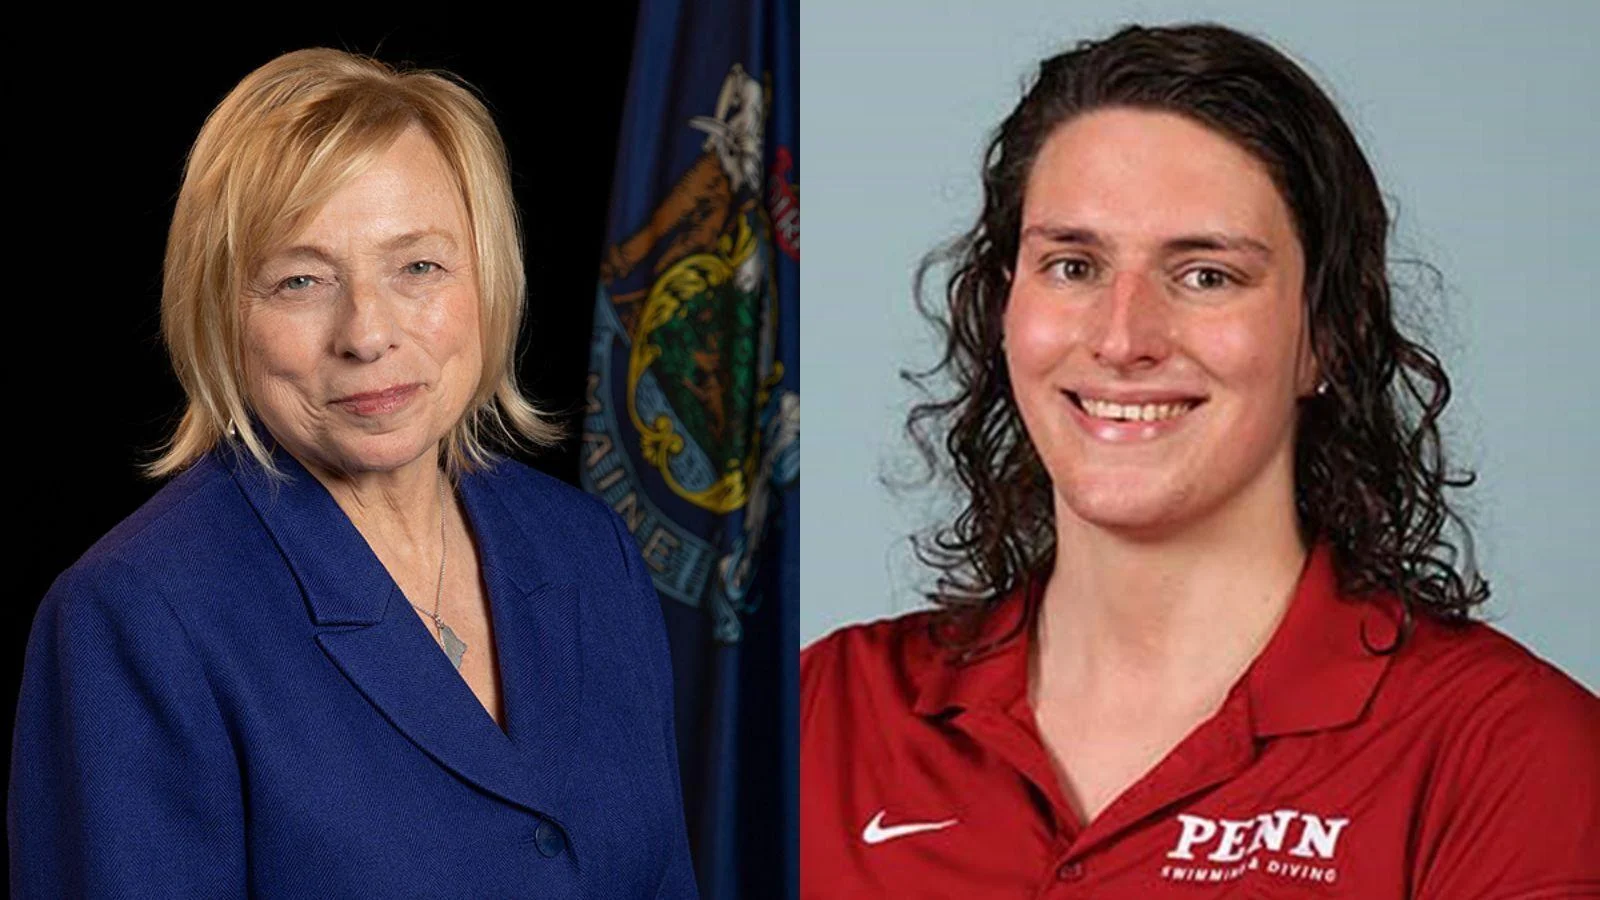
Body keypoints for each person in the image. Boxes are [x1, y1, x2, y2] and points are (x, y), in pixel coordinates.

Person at [800, 22, 1598, 898]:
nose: (1122, 338)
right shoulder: (821, 716)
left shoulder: (1508, 754)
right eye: (1072, 266)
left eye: (1206, 275)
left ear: (1327, 336)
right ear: (1003, 307)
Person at [10, 48, 698, 898]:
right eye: (300, 280)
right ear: (221, 312)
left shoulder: (590, 550)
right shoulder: (137, 617)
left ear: (489, 277)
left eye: (418, 267)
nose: (367, 334)